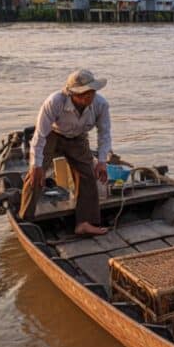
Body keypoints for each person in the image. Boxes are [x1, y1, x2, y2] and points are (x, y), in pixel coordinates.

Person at [20, 69, 112, 236]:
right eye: (84, 93)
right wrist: (36, 165)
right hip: (52, 135)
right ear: (72, 94)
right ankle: (26, 219)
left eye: (92, 92)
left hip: (77, 137)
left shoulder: (101, 104)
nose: (89, 97)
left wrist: (102, 161)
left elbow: (104, 134)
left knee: (88, 175)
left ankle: (84, 223)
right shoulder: (54, 101)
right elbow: (39, 136)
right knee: (36, 175)